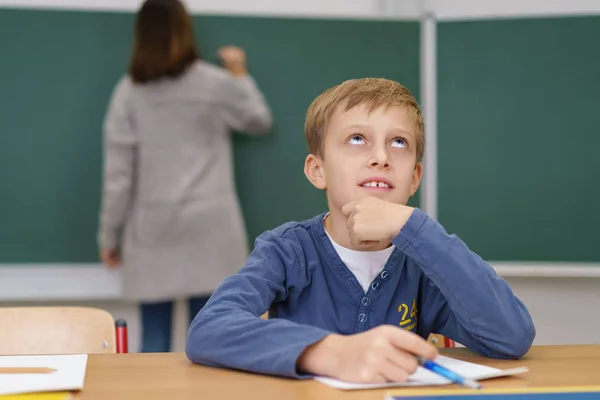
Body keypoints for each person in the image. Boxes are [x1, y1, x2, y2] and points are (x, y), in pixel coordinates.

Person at [184, 77, 535, 382]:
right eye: (357, 138)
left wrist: (412, 225)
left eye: (399, 142)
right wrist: (331, 353)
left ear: (414, 177)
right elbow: (209, 330)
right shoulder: (287, 250)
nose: (381, 157)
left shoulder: (423, 261)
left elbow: (512, 337)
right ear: (317, 170)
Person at [97, 0, 272, 353]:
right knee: (209, 341)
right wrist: (240, 74)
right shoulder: (214, 83)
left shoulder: (129, 92)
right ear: (185, 30)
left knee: (154, 343)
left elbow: (118, 176)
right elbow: (259, 120)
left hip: (153, 229)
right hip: (211, 227)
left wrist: (108, 236)